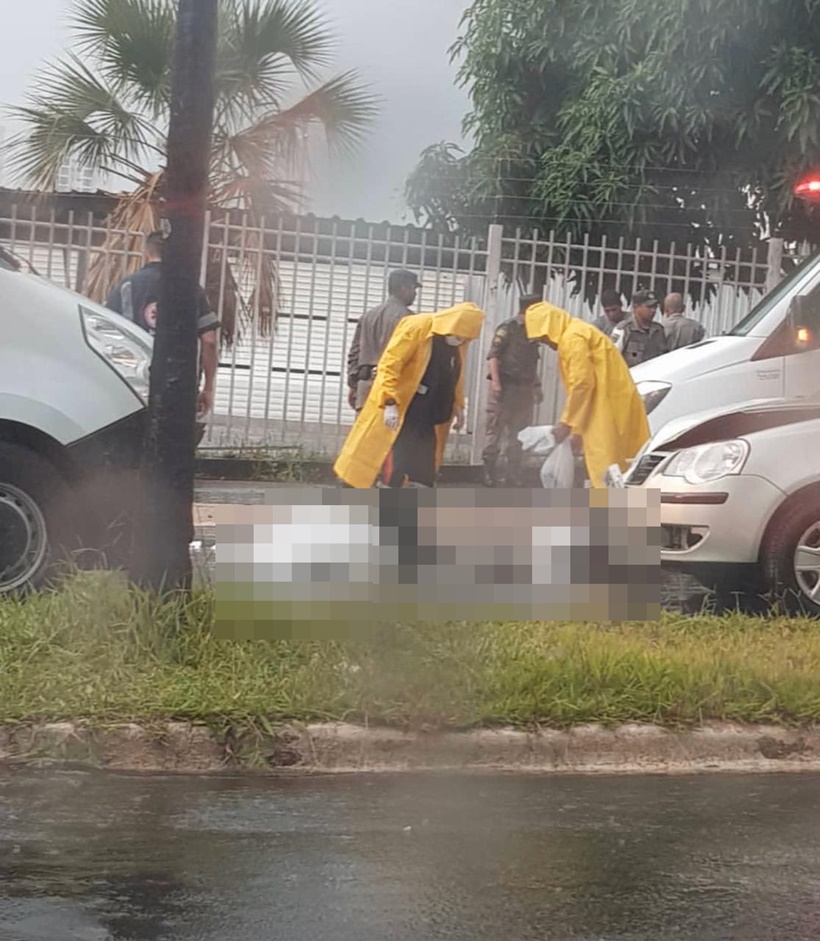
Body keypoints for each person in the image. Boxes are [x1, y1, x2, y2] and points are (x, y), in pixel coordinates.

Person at [334, 302, 485, 488]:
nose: (460, 340)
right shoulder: (417, 327)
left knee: (424, 467)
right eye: (458, 336)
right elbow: (390, 365)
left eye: (465, 338)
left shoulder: (458, 341)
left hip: (429, 412)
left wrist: (458, 405)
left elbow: (455, 374)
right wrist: (389, 402)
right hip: (403, 408)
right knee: (395, 459)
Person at [106, 231, 220, 444]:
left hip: (131, 380)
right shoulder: (191, 290)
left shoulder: (126, 286)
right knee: (173, 445)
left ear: (146, 252)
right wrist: (209, 387)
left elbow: (108, 333)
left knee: (132, 443)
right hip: (179, 381)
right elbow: (209, 341)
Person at [524, 300, 650, 489]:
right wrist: (577, 430)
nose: (546, 343)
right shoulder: (578, 331)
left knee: (606, 469)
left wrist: (567, 424)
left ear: (550, 328)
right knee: (620, 469)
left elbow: (582, 384)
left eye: (543, 337)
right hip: (611, 405)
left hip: (605, 410)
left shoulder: (572, 339)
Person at [482, 294, 544, 487]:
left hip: (524, 389)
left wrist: (537, 386)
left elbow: (532, 362)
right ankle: (488, 473)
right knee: (495, 432)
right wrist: (496, 384)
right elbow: (493, 356)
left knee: (519, 435)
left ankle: (513, 474)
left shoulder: (534, 332)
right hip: (505, 388)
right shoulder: (507, 328)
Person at [346, 270, 420, 412]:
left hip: (366, 386)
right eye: (413, 288)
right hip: (394, 390)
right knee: (390, 433)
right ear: (403, 288)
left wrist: (354, 383)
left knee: (365, 433)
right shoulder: (410, 320)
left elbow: (355, 352)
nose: (415, 294)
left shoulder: (368, 316)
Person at [610, 290, 669, 368]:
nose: (653, 310)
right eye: (649, 307)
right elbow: (611, 357)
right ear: (635, 307)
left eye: (655, 307)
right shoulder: (624, 329)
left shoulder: (658, 330)